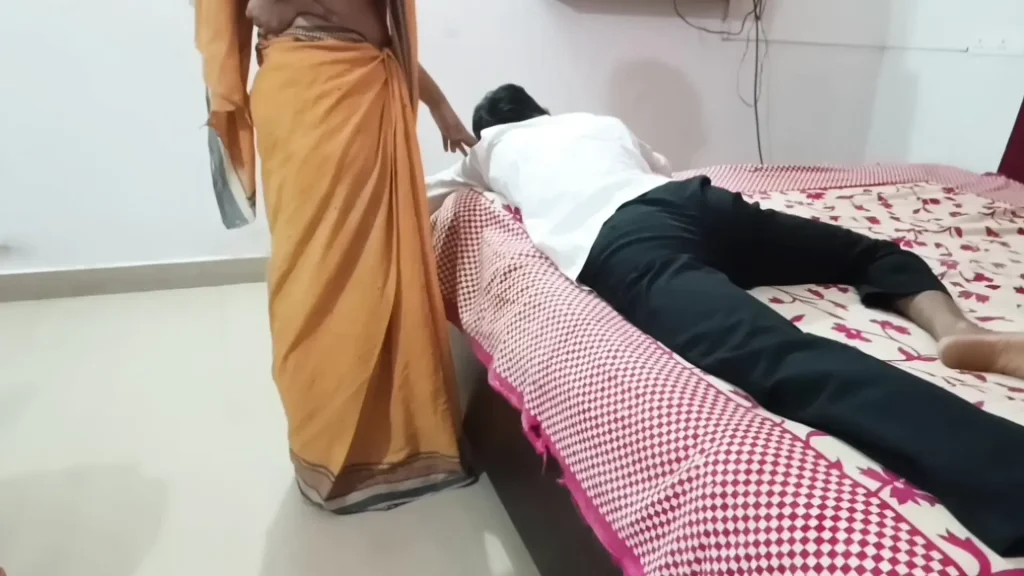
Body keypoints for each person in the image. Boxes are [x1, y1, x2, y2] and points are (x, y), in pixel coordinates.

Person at [428, 83, 1024, 555]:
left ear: (487, 130)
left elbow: (422, 190)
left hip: (626, 243)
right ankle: (957, 331)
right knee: (869, 253)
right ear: (542, 110)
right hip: (697, 204)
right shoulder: (593, 122)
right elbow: (660, 166)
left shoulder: (487, 150)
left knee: (781, 357)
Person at [195, 0, 477, 514]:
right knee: (315, 273)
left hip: (364, 86)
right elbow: (263, 10)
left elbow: (383, 35)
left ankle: (400, 446)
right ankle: (327, 448)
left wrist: (441, 107)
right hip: (309, 96)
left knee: (377, 272)